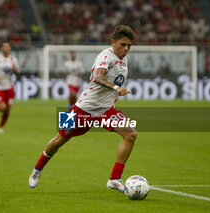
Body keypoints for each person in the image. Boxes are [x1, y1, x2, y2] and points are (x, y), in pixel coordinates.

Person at [29, 25, 136, 193]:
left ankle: (114, 179)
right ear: (113, 42)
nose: (126, 49)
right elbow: (98, 76)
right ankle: (37, 169)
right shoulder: (106, 56)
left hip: (105, 110)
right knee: (59, 140)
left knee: (130, 135)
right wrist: (116, 88)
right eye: (123, 44)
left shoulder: (124, 60)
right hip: (83, 107)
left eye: (129, 45)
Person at [0, 41, 20, 133]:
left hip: (9, 86)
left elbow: (18, 73)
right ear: (1, 48)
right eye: (5, 47)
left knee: (8, 109)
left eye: (8, 46)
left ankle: (0, 127)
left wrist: (16, 71)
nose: (7, 48)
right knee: (2, 108)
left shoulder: (13, 59)